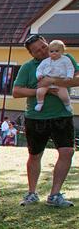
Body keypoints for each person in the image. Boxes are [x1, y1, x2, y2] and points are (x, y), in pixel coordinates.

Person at [13, 34, 77, 208]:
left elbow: (77, 79)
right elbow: (16, 91)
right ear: (31, 54)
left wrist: (53, 81)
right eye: (36, 51)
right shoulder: (28, 67)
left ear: (47, 44)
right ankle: (32, 193)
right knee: (35, 155)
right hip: (36, 117)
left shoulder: (65, 58)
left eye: (43, 46)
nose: (42, 51)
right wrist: (44, 90)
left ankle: (55, 194)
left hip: (62, 115)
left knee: (67, 152)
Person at [34, 39, 73, 113]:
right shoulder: (45, 61)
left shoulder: (66, 60)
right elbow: (39, 69)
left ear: (62, 51)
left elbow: (70, 68)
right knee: (39, 92)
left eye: (57, 51)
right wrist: (39, 75)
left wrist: (69, 76)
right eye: (51, 51)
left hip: (60, 81)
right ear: (48, 52)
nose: (54, 53)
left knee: (64, 95)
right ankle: (40, 103)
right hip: (46, 81)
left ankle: (67, 104)